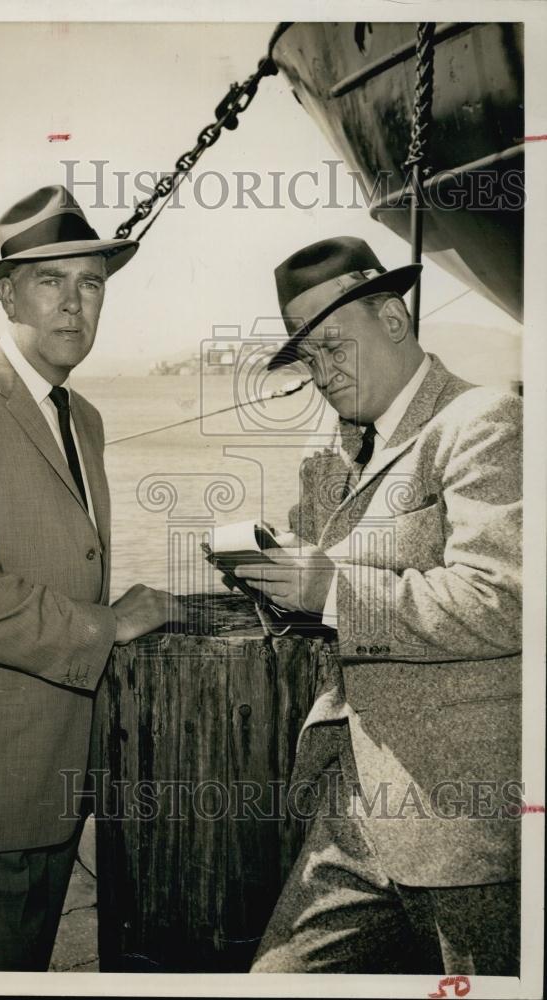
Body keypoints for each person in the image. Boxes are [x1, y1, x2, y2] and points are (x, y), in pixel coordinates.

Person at [0, 184, 182, 971]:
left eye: (92, 284)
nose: (74, 304)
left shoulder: (81, 416)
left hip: (57, 783)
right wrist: (109, 626)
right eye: (51, 281)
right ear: (7, 291)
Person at [234, 236, 522, 975]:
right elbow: (331, 600)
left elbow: (503, 599)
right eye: (311, 359)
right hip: (355, 804)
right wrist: (275, 578)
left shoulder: (482, 419)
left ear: (394, 319)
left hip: (460, 820)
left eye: (334, 346)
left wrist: (327, 587)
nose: (323, 373)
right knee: (274, 979)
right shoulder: (353, 447)